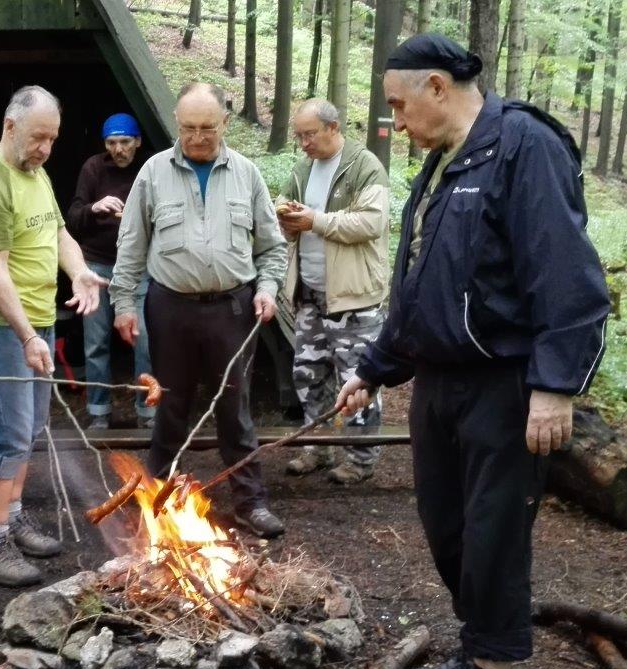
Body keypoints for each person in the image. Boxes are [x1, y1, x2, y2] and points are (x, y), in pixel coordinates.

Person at [336, 34, 611, 669]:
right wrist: (374, 368)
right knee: (447, 527)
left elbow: (565, 273)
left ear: (437, 87)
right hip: (438, 382)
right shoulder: (441, 165)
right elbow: (420, 286)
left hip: (503, 384)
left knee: (493, 534)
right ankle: (477, 645)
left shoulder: (522, 145)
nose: (396, 123)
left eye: (400, 106)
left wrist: (555, 385)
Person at [111, 83, 288, 538]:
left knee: (235, 408)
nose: (197, 137)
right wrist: (124, 304)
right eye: (188, 128)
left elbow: (271, 246)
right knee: (170, 406)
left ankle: (250, 503)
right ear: (177, 124)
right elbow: (131, 246)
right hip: (169, 308)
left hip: (233, 309)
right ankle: (157, 503)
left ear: (225, 123)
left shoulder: (247, 174)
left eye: (207, 128)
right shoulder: (152, 173)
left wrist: (267, 288)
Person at [0, 85, 106, 587]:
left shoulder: (33, 173)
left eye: (52, 139)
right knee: (11, 432)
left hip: (36, 318)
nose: (45, 148)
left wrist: (80, 271)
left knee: (32, 426)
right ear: (10, 126)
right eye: (38, 137)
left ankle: (13, 517)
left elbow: (58, 232)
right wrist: (26, 336)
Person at [276, 98, 390, 485]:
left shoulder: (364, 166)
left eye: (310, 134)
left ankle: (359, 459)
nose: (304, 143)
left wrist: (313, 220)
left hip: (353, 299)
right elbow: (282, 206)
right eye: (299, 136)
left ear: (333, 128)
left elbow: (370, 223)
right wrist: (286, 216)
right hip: (309, 294)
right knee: (308, 375)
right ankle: (317, 448)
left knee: (356, 381)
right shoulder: (303, 168)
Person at [67, 113, 155, 430]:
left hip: (138, 267)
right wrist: (95, 207)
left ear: (138, 142)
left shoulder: (149, 169)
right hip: (97, 265)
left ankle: (147, 411)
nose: (118, 149)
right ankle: (99, 411)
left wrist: (136, 219)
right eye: (111, 142)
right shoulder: (93, 168)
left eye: (125, 142)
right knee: (96, 341)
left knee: (143, 340)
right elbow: (73, 217)